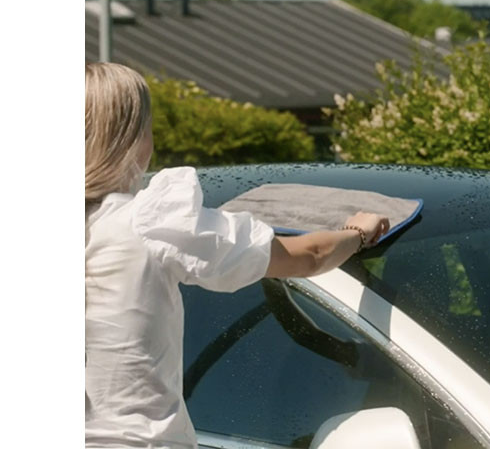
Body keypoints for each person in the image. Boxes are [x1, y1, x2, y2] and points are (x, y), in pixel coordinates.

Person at [85, 62, 389, 448]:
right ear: (132, 140)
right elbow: (308, 256)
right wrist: (359, 232)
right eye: (147, 126)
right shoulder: (151, 222)